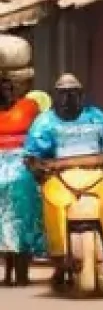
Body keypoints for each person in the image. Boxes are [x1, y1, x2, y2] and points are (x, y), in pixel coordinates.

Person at [24, 73, 103, 267]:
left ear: (81, 95)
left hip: (96, 171)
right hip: (59, 175)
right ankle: (56, 254)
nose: (67, 99)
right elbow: (32, 155)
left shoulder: (95, 116)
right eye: (63, 94)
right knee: (53, 204)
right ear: (55, 95)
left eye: (73, 93)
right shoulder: (45, 122)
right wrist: (39, 166)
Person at [0, 75, 45, 282]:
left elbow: (40, 134)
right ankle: (7, 269)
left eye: (9, 88)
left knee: (25, 216)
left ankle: (21, 268)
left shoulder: (28, 107)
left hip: (22, 163)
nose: (6, 93)